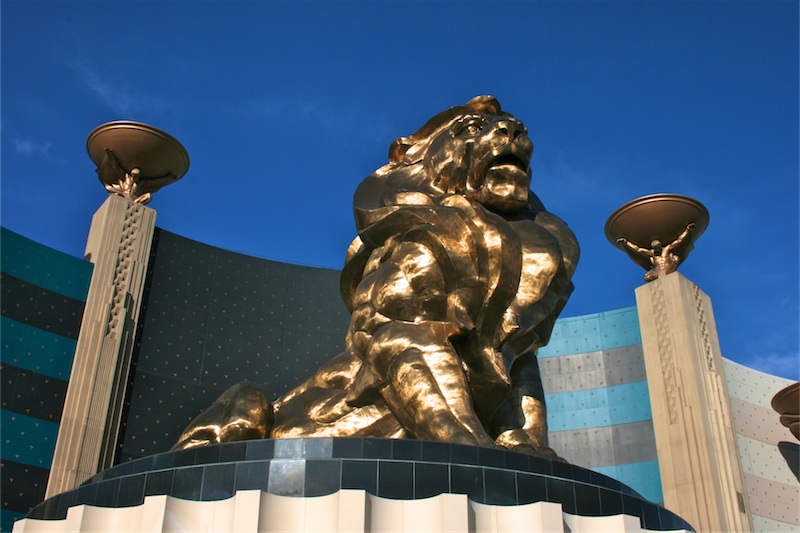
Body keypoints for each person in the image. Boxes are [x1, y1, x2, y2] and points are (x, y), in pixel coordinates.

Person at [617, 223, 695, 282]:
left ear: (660, 246)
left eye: (658, 247)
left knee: (675, 260)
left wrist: (687, 230)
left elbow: (679, 241)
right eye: (656, 248)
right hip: (657, 271)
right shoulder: (652, 253)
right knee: (647, 277)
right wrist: (626, 243)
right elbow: (638, 250)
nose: (657, 249)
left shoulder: (666, 249)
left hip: (668, 268)